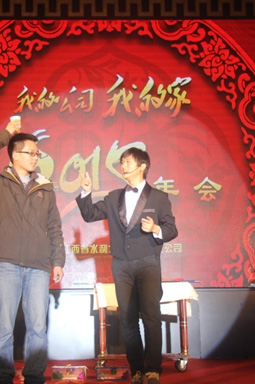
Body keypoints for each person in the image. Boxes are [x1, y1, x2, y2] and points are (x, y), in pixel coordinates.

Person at [0, 116, 65, 384]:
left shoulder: (45, 187)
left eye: (38, 154)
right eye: (30, 153)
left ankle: (34, 376)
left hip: (38, 266)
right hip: (7, 263)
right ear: (14, 155)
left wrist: (58, 261)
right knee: (4, 326)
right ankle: (2, 376)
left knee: (38, 327)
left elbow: (54, 227)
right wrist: (7, 133)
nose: (35, 158)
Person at [76, 147, 178, 384]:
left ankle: (153, 369)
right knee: (128, 320)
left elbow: (171, 229)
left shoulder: (159, 197)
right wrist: (86, 191)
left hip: (148, 262)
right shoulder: (113, 197)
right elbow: (90, 214)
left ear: (142, 166)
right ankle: (137, 370)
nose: (123, 166)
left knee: (151, 317)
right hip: (121, 264)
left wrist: (155, 228)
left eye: (128, 162)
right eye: (121, 162)